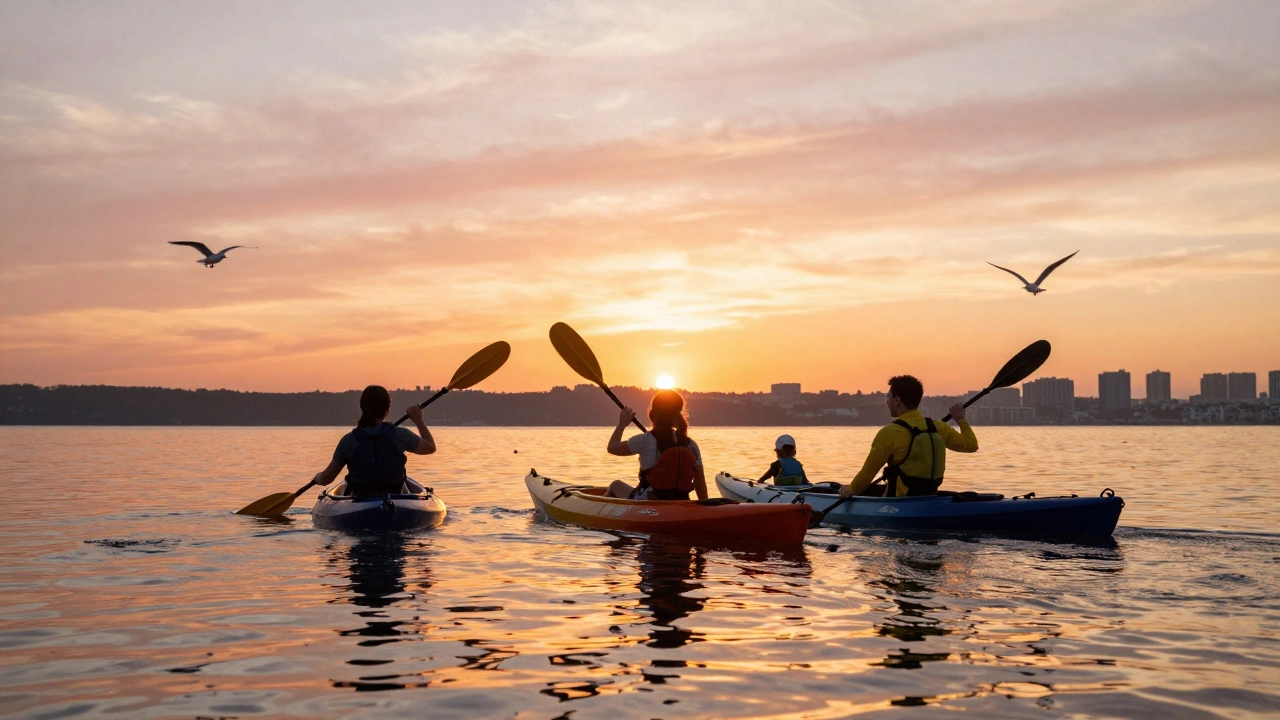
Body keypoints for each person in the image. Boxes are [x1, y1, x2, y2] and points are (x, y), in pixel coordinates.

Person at [839, 375, 978, 499]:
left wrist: (850, 490)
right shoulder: (939, 428)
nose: (886, 402)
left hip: (898, 504)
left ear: (897, 400)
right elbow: (971, 445)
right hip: (929, 498)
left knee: (850, 489)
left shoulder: (890, 433)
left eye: (888, 397)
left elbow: (866, 475)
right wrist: (960, 419)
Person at [311, 385, 436, 496]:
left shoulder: (349, 440)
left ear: (362, 407)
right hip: (394, 495)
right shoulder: (399, 435)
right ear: (388, 409)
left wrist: (318, 478)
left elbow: (327, 478)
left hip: (360, 499)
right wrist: (418, 420)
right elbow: (430, 447)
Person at [604, 390, 709, 501]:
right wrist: (705, 509)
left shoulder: (645, 440)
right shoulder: (691, 445)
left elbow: (612, 447)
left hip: (650, 503)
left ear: (652, 415)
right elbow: (700, 484)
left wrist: (622, 424)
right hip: (681, 502)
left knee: (615, 485)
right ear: (677, 416)